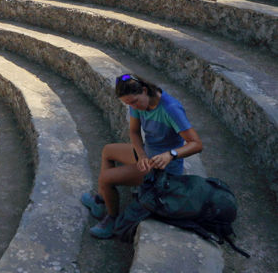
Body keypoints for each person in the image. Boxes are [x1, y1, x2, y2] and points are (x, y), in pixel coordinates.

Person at [81, 73, 203, 238]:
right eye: (128, 103)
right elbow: (134, 131)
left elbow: (196, 144)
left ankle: (112, 219)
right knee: (108, 151)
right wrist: (141, 154)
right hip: (147, 154)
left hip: (162, 167)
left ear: (145, 90)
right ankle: (101, 200)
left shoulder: (170, 109)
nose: (133, 106)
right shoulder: (138, 103)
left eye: (134, 102)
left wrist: (171, 154)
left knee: (105, 178)